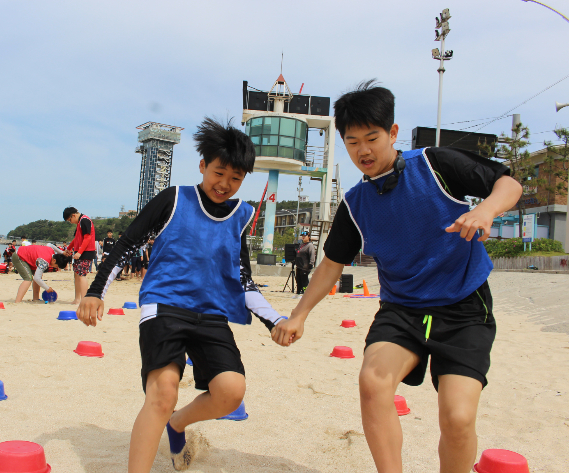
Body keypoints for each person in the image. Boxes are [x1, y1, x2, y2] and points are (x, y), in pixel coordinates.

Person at [271, 81, 523, 473]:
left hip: (463, 309)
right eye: (352, 142)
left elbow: (508, 182)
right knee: (372, 383)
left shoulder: (435, 165)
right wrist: (299, 314)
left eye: (371, 138)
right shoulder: (355, 203)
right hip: (402, 311)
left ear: (392, 133)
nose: (363, 151)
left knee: (457, 418)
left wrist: (486, 211)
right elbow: (331, 265)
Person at [76, 118, 284, 472]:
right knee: (163, 393)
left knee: (231, 390)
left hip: (212, 313)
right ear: (203, 166)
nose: (225, 184)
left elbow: (243, 281)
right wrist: (96, 291)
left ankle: (177, 424)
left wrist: (276, 320)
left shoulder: (240, 217)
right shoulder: (174, 199)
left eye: (235, 178)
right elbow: (128, 244)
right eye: (219, 173)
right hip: (165, 307)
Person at [63, 207, 98, 305]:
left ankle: (84, 299)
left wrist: (80, 252)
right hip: (79, 252)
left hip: (86, 252)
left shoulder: (85, 220)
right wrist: (69, 249)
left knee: (82, 275)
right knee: (77, 275)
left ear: (73, 215)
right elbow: (76, 239)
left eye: (69, 220)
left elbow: (87, 237)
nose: (70, 222)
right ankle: (77, 299)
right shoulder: (79, 223)